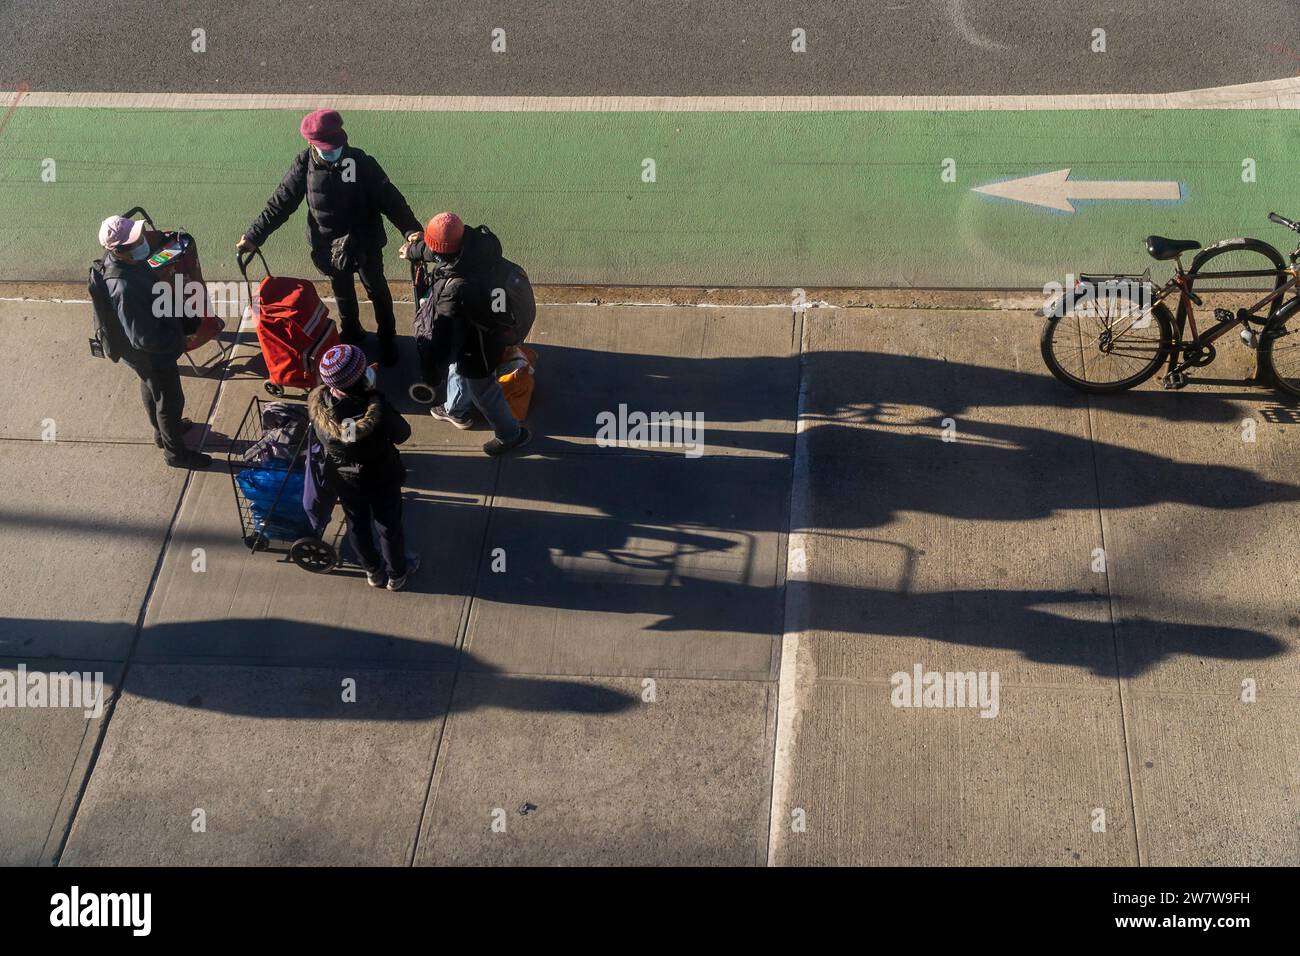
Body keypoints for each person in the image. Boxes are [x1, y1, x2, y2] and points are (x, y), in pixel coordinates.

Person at [237, 109, 422, 368]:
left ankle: (387, 339)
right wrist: (254, 235)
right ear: (311, 144)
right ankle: (351, 332)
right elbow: (281, 202)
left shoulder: (362, 162)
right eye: (327, 148)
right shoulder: (304, 164)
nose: (333, 153)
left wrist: (411, 229)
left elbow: (391, 200)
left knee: (377, 290)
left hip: (364, 243)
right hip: (328, 247)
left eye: (336, 147)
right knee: (342, 291)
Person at [400, 212, 531, 456]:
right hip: (492, 332)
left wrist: (430, 375)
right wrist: (415, 250)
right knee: (459, 369)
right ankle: (455, 410)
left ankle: (510, 435)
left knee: (484, 390)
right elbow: (444, 251)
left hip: (479, 348)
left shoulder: (453, 292)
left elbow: (440, 340)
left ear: (441, 252)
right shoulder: (478, 245)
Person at [97, 215, 211, 470]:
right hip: (150, 352)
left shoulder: (126, 263)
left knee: (151, 389)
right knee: (171, 401)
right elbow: (143, 337)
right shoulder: (123, 287)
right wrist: (177, 343)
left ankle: (162, 433)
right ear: (118, 250)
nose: (142, 242)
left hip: (140, 351)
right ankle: (175, 454)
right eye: (135, 241)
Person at [307, 344, 419, 590]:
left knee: (356, 523)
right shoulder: (374, 410)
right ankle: (397, 573)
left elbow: (345, 434)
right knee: (388, 526)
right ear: (360, 380)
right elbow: (402, 434)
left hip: (345, 479)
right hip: (380, 478)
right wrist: (376, 398)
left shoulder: (321, 409)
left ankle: (373, 571)